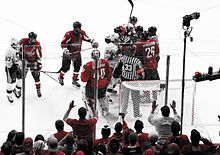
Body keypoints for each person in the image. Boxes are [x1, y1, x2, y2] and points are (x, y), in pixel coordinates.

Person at [58, 21, 99, 87]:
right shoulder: (69, 34)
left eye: (79, 28)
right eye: (75, 28)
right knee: (66, 68)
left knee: (77, 67)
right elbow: (63, 43)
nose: (77, 29)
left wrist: (94, 42)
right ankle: (60, 77)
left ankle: (74, 80)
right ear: (73, 28)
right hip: (68, 54)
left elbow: (88, 39)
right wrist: (66, 50)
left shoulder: (82, 33)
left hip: (77, 53)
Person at [113, 45, 145, 118]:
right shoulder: (137, 61)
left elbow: (119, 67)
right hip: (134, 82)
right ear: (134, 52)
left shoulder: (123, 58)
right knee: (136, 99)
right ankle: (136, 114)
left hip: (124, 81)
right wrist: (140, 79)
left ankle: (123, 112)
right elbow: (141, 73)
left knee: (124, 99)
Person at [81, 49, 112, 117]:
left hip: (92, 87)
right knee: (102, 96)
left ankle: (91, 112)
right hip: (103, 86)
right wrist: (106, 81)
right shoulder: (105, 62)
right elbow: (109, 74)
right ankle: (105, 109)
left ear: (92, 56)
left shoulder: (88, 65)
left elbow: (83, 79)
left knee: (88, 97)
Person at [18, 32, 42, 97]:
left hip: (33, 62)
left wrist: (39, 63)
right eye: (33, 38)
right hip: (24, 61)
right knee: (22, 77)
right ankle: (18, 89)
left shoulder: (37, 44)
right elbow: (17, 48)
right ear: (29, 38)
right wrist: (21, 57)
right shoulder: (23, 41)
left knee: (36, 76)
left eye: (35, 38)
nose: (34, 39)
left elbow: (39, 54)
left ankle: (38, 89)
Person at [5, 37, 22, 103]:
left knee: (21, 79)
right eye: (15, 44)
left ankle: (16, 90)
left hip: (18, 67)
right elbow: (8, 62)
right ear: (12, 44)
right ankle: (9, 95)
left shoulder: (18, 49)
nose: (16, 45)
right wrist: (13, 66)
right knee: (11, 81)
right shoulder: (9, 50)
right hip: (10, 68)